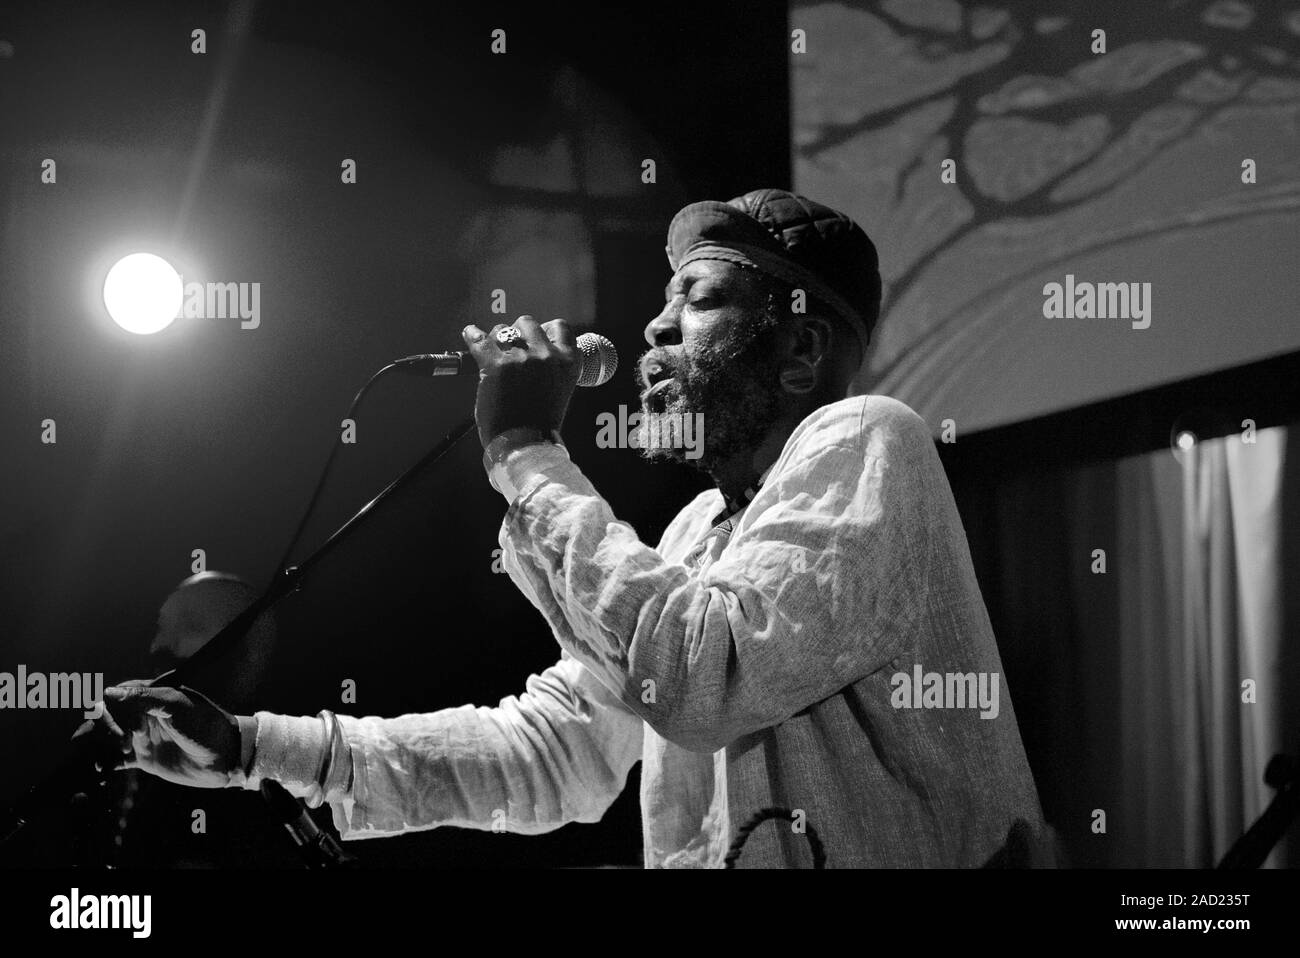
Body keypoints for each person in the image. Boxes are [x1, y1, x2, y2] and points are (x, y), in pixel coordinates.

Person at [93, 189, 1050, 867]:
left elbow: (704, 675)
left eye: (701, 301)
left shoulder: (869, 438)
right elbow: (552, 753)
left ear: (801, 346)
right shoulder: (691, 543)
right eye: (664, 303)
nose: (655, 332)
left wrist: (523, 449)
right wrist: (257, 748)